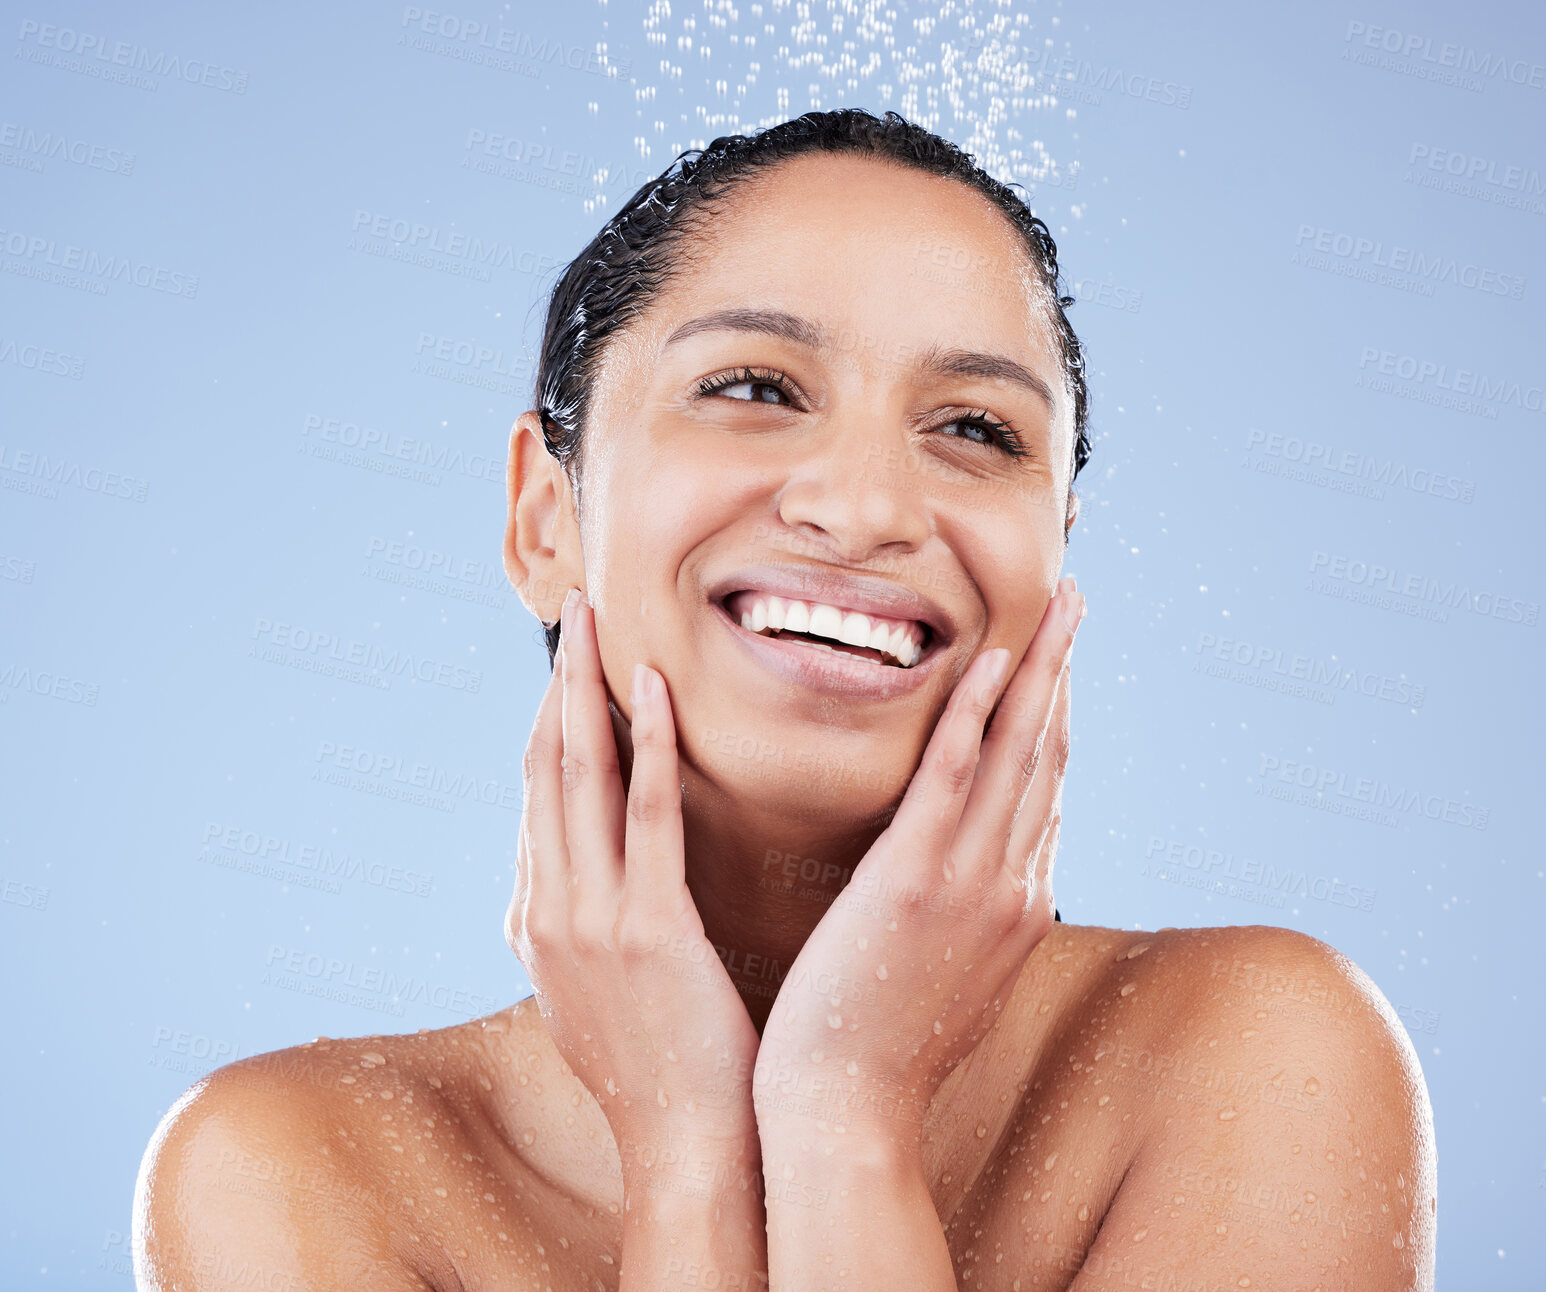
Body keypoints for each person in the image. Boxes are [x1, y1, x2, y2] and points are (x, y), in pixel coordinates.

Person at [134, 109, 1435, 1291]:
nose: (863, 508)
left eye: (976, 428)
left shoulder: (1255, 1061)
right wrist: (686, 1153)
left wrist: (844, 1112)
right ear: (544, 515)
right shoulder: (297, 1172)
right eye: (753, 388)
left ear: (1056, 561)